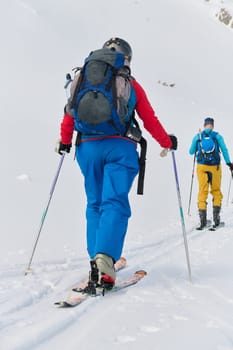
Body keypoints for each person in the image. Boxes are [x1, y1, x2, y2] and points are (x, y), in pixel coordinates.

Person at [57, 37, 177, 291]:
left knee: (96, 203)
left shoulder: (83, 78)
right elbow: (149, 119)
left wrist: (65, 141)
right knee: (115, 202)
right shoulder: (130, 84)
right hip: (119, 149)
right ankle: (105, 262)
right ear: (126, 59)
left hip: (87, 148)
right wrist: (167, 142)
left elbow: (69, 112)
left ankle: (96, 259)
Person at [189, 117, 233, 230]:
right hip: (215, 167)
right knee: (216, 191)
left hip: (201, 167)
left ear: (204, 125)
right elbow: (224, 150)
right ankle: (216, 221)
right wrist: (229, 163)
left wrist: (196, 141)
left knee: (202, 191)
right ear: (212, 125)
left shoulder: (198, 136)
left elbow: (191, 152)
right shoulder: (217, 136)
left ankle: (203, 222)